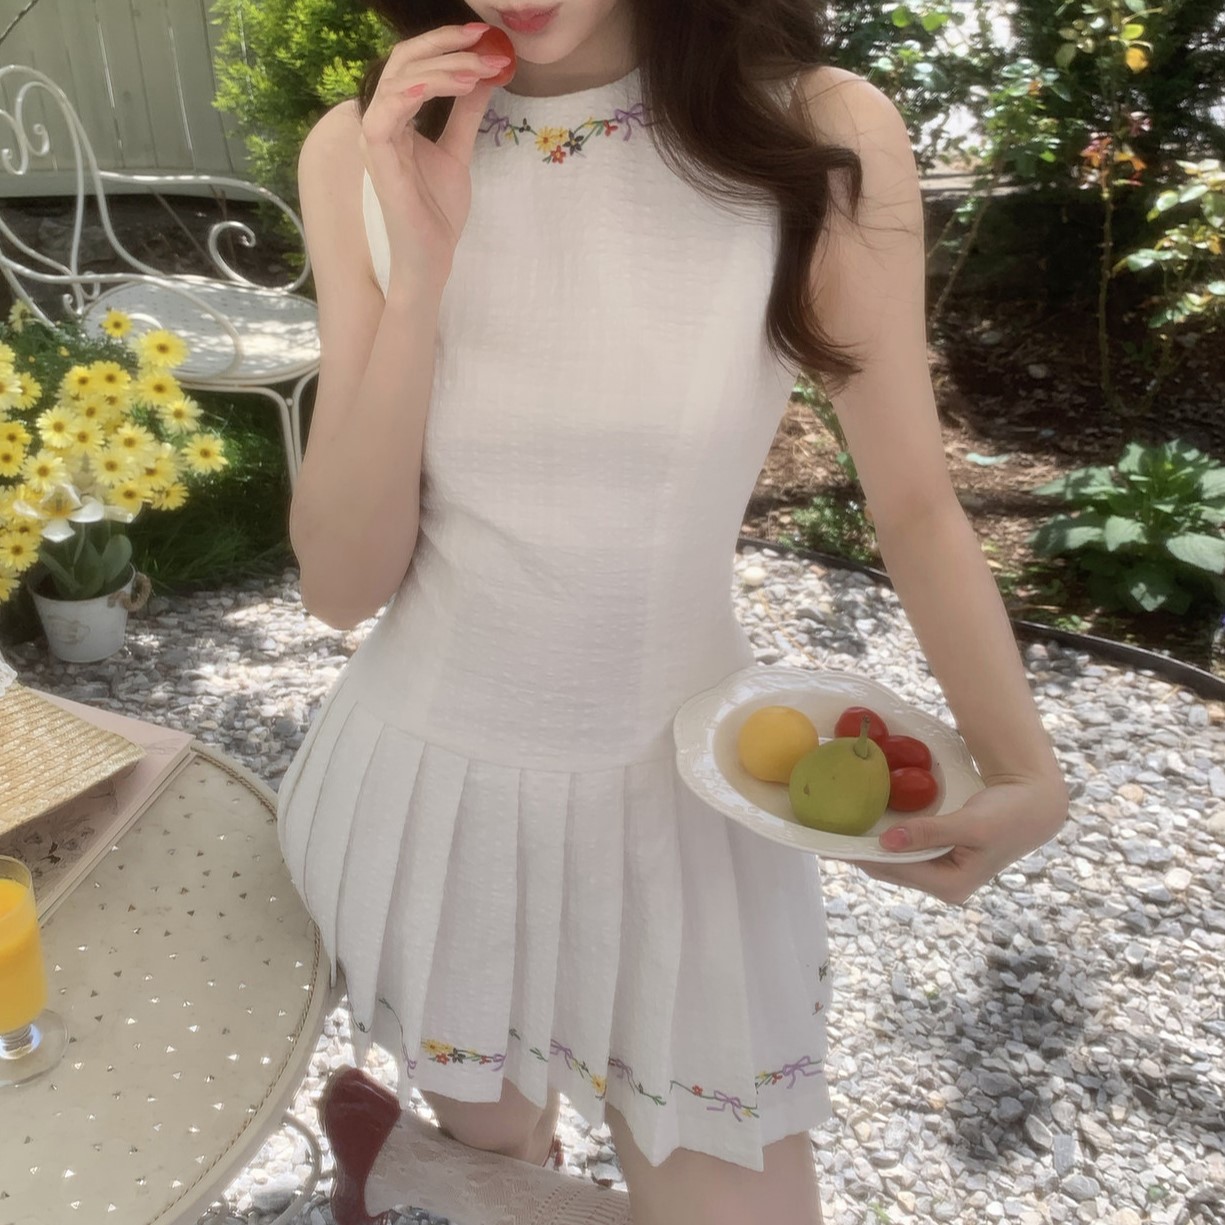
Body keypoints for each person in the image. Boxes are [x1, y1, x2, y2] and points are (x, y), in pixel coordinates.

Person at [276, 1, 1070, 1223]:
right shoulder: (365, 145)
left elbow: (912, 499)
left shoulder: (812, 129)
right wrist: (420, 279)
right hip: (430, 799)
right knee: (507, 1143)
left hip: (682, 811)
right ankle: (431, 1165)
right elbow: (341, 585)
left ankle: (395, 1166)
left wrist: (1022, 766)